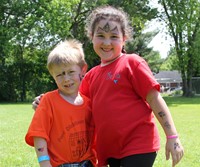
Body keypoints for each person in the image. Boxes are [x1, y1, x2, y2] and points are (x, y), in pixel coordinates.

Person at [32, 5, 184, 167]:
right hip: (109, 150)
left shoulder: (132, 63)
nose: (106, 42)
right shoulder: (90, 76)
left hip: (139, 145)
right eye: (101, 35)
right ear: (91, 37)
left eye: (113, 36)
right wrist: (45, 104)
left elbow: (154, 98)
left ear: (124, 38)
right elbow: (75, 104)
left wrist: (172, 136)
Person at [25, 39, 97, 167]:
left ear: (82, 70)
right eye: (60, 74)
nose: (66, 79)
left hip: (89, 163)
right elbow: (39, 135)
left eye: (71, 72)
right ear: (53, 76)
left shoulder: (90, 103)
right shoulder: (48, 101)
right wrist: (44, 162)